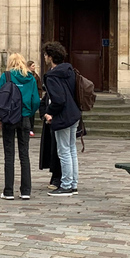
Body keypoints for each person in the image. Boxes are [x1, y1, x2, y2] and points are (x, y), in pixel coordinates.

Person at [0, 54, 40, 200]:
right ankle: (25, 191)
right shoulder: (31, 78)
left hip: (9, 118)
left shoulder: (6, 76)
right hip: (25, 117)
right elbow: (35, 100)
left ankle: (8, 191)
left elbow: (0, 97)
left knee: (9, 155)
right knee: (24, 154)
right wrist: (28, 112)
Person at [42, 42, 82, 197]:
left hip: (63, 116)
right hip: (74, 114)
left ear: (50, 57)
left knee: (64, 151)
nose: (45, 57)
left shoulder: (52, 76)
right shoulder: (69, 70)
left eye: (46, 55)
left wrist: (49, 112)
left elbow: (58, 100)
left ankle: (66, 185)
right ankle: (73, 184)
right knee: (71, 149)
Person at [27, 60, 44, 137]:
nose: (34, 67)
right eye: (32, 66)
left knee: (32, 114)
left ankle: (31, 128)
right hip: (27, 97)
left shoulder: (36, 76)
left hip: (33, 97)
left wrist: (39, 96)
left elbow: (39, 87)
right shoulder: (25, 76)